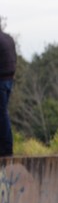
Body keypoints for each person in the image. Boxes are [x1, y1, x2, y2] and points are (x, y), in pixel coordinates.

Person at [0, 25, 17, 157]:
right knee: (3, 113)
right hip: (9, 80)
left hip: (1, 81)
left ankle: (6, 149)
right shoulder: (8, 38)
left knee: (2, 115)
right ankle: (6, 147)